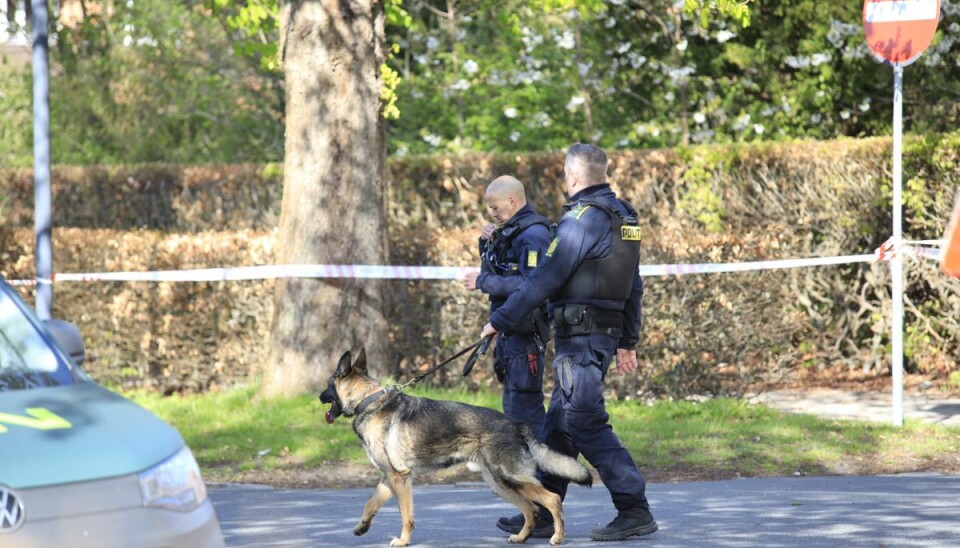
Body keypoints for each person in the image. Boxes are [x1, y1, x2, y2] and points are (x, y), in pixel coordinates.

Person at [480, 144, 657, 541]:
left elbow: (545, 278)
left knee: (584, 420)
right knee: (559, 426)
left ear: (573, 178)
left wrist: (500, 320)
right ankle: (545, 511)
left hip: (582, 337)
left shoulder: (581, 219)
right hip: (601, 333)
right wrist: (628, 338)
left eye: (564, 176)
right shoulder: (624, 215)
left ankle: (634, 508)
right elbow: (634, 283)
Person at [463, 175, 552, 436]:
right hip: (508, 329)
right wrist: (486, 243)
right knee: (512, 406)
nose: (492, 213)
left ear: (511, 201)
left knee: (525, 408)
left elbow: (530, 284)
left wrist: (483, 281)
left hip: (526, 333)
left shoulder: (534, 234)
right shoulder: (513, 230)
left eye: (494, 207)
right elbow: (499, 269)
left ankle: (546, 472)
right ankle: (524, 472)